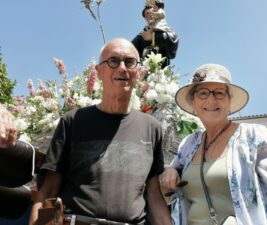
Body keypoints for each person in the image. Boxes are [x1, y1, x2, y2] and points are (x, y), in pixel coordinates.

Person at [29, 38, 172, 225]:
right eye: (113, 61)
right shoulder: (73, 121)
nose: (122, 68)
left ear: (138, 72)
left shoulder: (151, 128)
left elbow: (154, 195)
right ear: (99, 72)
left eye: (129, 62)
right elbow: (48, 191)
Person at [159, 64, 267, 225]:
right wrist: (169, 171)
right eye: (203, 93)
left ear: (229, 101)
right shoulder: (189, 144)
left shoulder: (254, 136)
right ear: (193, 102)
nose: (211, 100)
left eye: (219, 93)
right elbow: (168, 190)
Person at [132, 0, 179, 68]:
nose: (151, 15)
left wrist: (153, 37)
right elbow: (130, 50)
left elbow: (173, 43)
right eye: (147, 13)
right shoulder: (141, 36)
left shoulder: (165, 31)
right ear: (145, 17)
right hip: (143, 73)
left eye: (153, 11)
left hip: (162, 73)